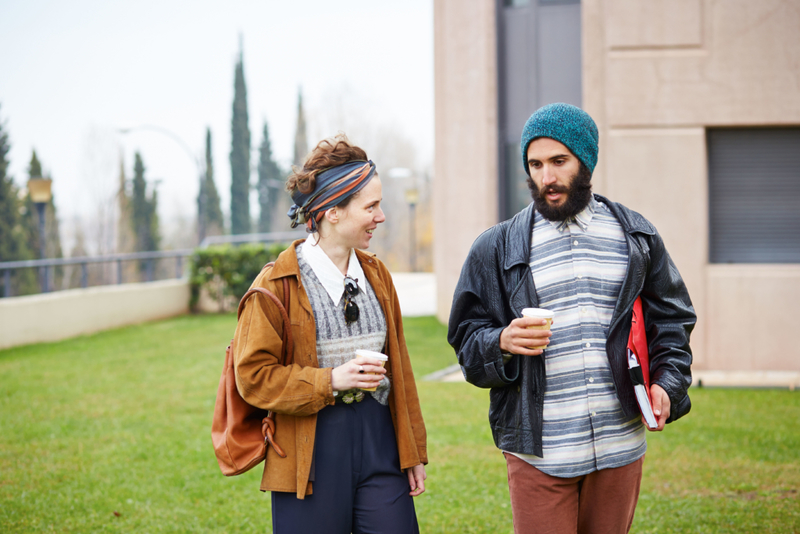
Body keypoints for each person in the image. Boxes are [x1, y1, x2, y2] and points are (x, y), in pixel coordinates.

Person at [447, 103, 695, 534]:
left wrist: (666, 384)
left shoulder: (636, 236)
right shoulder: (495, 247)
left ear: (586, 161)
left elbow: (672, 319)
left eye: (559, 162)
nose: (546, 178)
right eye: (535, 164)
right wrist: (501, 342)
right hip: (540, 455)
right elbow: (466, 340)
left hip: (620, 447)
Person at [233, 135, 427, 534]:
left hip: (379, 440)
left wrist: (413, 450)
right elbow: (252, 378)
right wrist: (332, 380)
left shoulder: (377, 275)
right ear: (332, 212)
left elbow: (402, 370)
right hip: (310, 451)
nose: (381, 216)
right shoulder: (276, 284)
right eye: (370, 206)